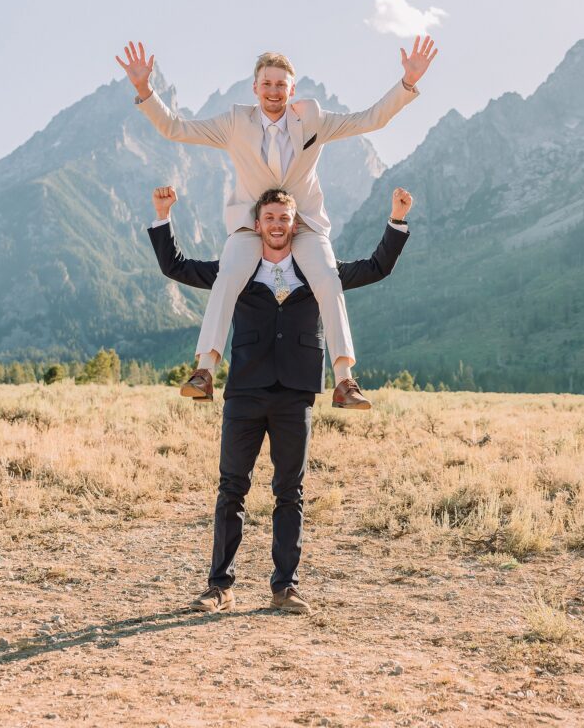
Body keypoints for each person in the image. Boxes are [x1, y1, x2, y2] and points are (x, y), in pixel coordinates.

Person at [117, 37, 435, 409]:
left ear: (292, 89)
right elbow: (175, 128)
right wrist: (144, 90)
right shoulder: (235, 123)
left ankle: (344, 379)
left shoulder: (313, 119)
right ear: (255, 88)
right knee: (228, 276)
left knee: (328, 278)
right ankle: (204, 370)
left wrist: (407, 82)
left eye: (280, 84)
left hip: (305, 224)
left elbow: (370, 119)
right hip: (251, 226)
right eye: (266, 83)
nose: (273, 90)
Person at [147, 182, 412, 614]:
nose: (276, 224)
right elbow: (176, 267)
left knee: (290, 492)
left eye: (283, 218)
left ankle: (285, 587)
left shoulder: (320, 271)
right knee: (232, 489)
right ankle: (219, 587)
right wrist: (163, 216)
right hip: (245, 393)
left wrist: (397, 219)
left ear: (295, 224)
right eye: (269, 217)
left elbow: (377, 267)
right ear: (256, 224)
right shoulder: (236, 269)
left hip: (295, 394)